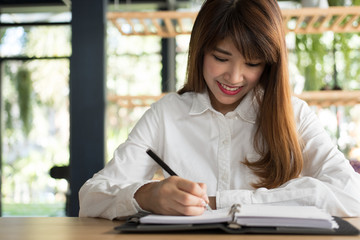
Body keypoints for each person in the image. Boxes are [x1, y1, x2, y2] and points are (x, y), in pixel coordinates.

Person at [79, 0, 360, 220]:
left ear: (270, 64)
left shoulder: (294, 114)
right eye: (221, 58)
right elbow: (91, 197)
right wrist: (146, 196)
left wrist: (220, 203)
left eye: (252, 64)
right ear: (200, 50)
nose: (234, 77)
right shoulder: (167, 114)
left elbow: (352, 195)